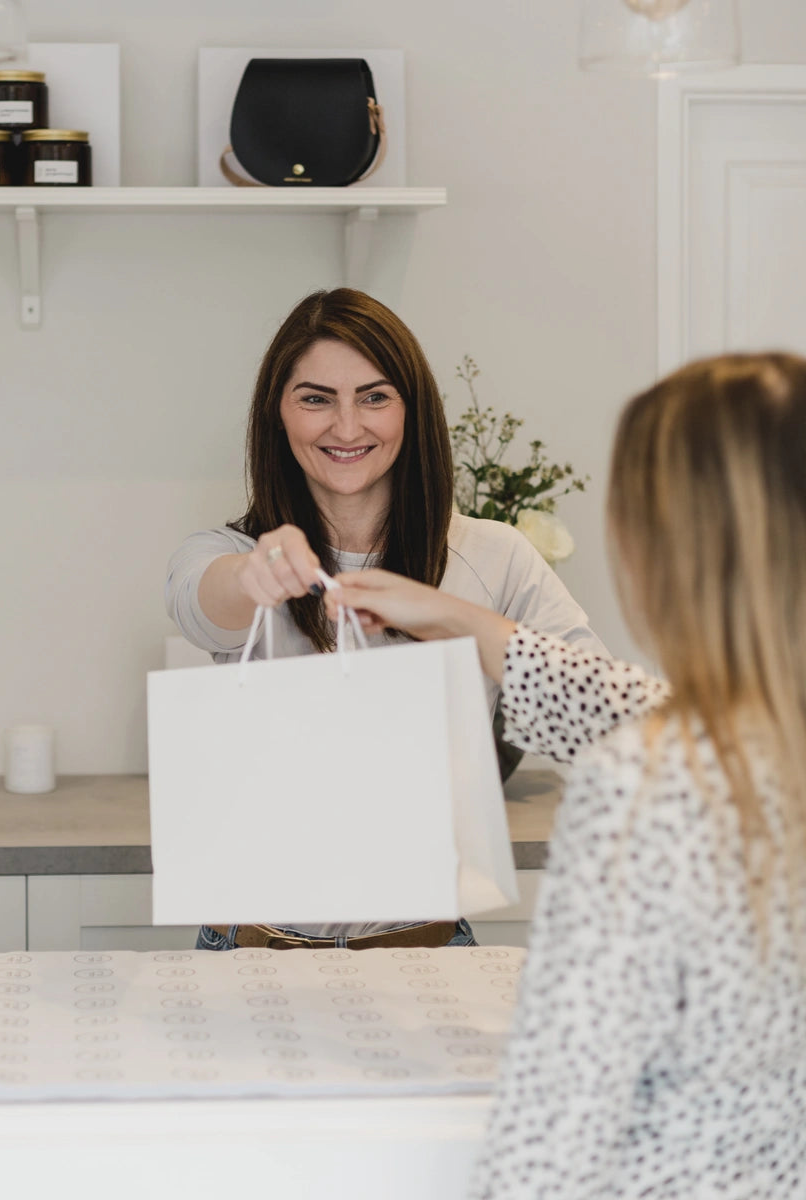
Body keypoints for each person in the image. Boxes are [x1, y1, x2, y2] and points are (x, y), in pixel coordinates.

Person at [327, 352, 806, 1199]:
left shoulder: (653, 783)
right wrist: (451, 615)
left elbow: (554, 1138)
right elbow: (634, 704)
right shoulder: (760, 746)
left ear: (668, 547)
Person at [165, 286, 608, 953]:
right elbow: (204, 604)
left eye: (375, 396)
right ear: (278, 416)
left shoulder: (495, 557)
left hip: (431, 955)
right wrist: (255, 575)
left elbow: (606, 729)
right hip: (248, 953)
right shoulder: (226, 555)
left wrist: (453, 618)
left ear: (413, 410)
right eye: (316, 398)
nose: (347, 428)